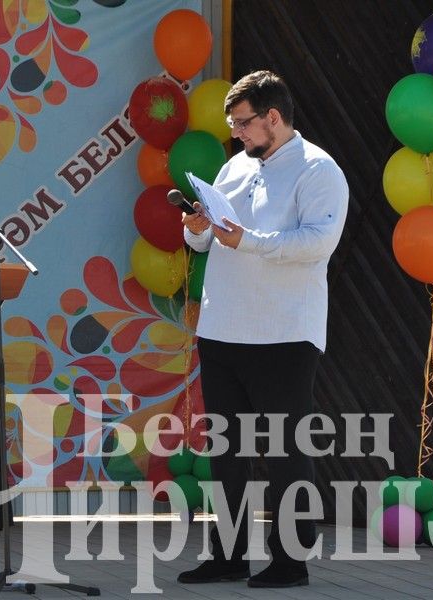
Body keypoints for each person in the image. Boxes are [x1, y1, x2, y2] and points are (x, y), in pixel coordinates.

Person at [177, 70, 348, 588]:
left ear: (274, 117)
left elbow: (317, 243)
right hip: (223, 328)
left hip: (283, 333)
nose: (237, 134)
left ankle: (290, 562)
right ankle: (227, 554)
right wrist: (198, 231)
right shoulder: (234, 166)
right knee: (226, 451)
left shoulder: (318, 169)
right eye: (233, 125)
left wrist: (246, 241)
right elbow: (214, 241)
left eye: (244, 124)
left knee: (284, 450)